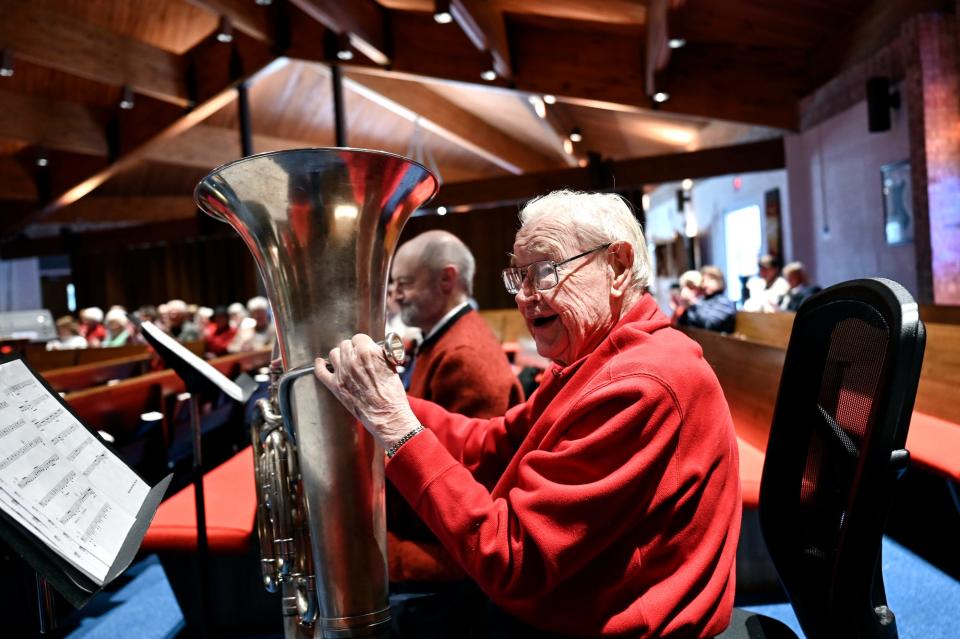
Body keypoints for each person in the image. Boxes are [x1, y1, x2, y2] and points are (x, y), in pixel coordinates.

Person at [315, 190, 740, 638]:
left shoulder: (639, 384)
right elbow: (493, 443)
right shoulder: (597, 357)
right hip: (561, 602)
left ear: (616, 265)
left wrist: (396, 427)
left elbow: (512, 559)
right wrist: (375, 398)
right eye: (520, 276)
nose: (527, 296)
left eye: (546, 271)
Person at [386, 230, 525, 637]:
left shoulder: (463, 355)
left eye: (404, 283)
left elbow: (470, 484)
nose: (396, 295)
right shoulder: (443, 340)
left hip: (440, 571)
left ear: (446, 279)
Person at [677, 265, 737, 333]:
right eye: (703, 280)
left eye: (710, 279)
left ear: (720, 281)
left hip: (718, 341)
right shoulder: (702, 299)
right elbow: (683, 323)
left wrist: (692, 303)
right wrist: (686, 306)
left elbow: (708, 324)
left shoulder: (724, 302)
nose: (705, 284)